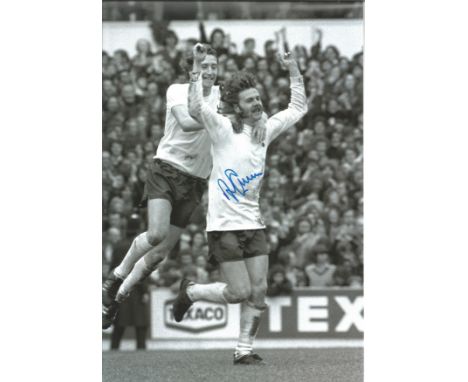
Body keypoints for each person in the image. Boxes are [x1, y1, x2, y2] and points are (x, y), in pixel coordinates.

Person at [102, 45, 265, 329]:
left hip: (195, 180)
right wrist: (224, 118)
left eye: (214, 66)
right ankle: (115, 276)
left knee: (158, 255)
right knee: (156, 234)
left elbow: (252, 107)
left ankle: (117, 298)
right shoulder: (177, 90)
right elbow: (188, 123)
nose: (210, 72)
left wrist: (260, 119)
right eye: (204, 66)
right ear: (192, 69)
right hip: (167, 168)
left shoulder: (220, 96)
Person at [172, 44, 307, 365]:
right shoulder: (220, 128)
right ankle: (191, 292)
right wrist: (194, 66)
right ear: (237, 106)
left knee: (258, 291)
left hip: (253, 224)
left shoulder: (265, 130)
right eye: (250, 100)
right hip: (223, 226)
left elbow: (298, 107)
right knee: (238, 293)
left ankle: (243, 350)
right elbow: (196, 108)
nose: (258, 103)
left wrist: (293, 69)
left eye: (258, 98)